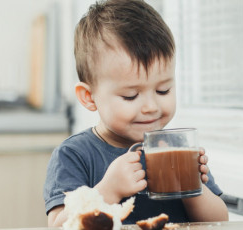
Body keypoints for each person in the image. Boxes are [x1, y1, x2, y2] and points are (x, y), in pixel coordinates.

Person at [43, 0, 228, 227]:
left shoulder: (174, 148)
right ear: (89, 97)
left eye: (163, 90)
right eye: (130, 96)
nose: (151, 106)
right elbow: (59, 226)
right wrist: (107, 190)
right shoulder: (74, 155)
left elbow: (220, 222)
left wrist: (193, 188)